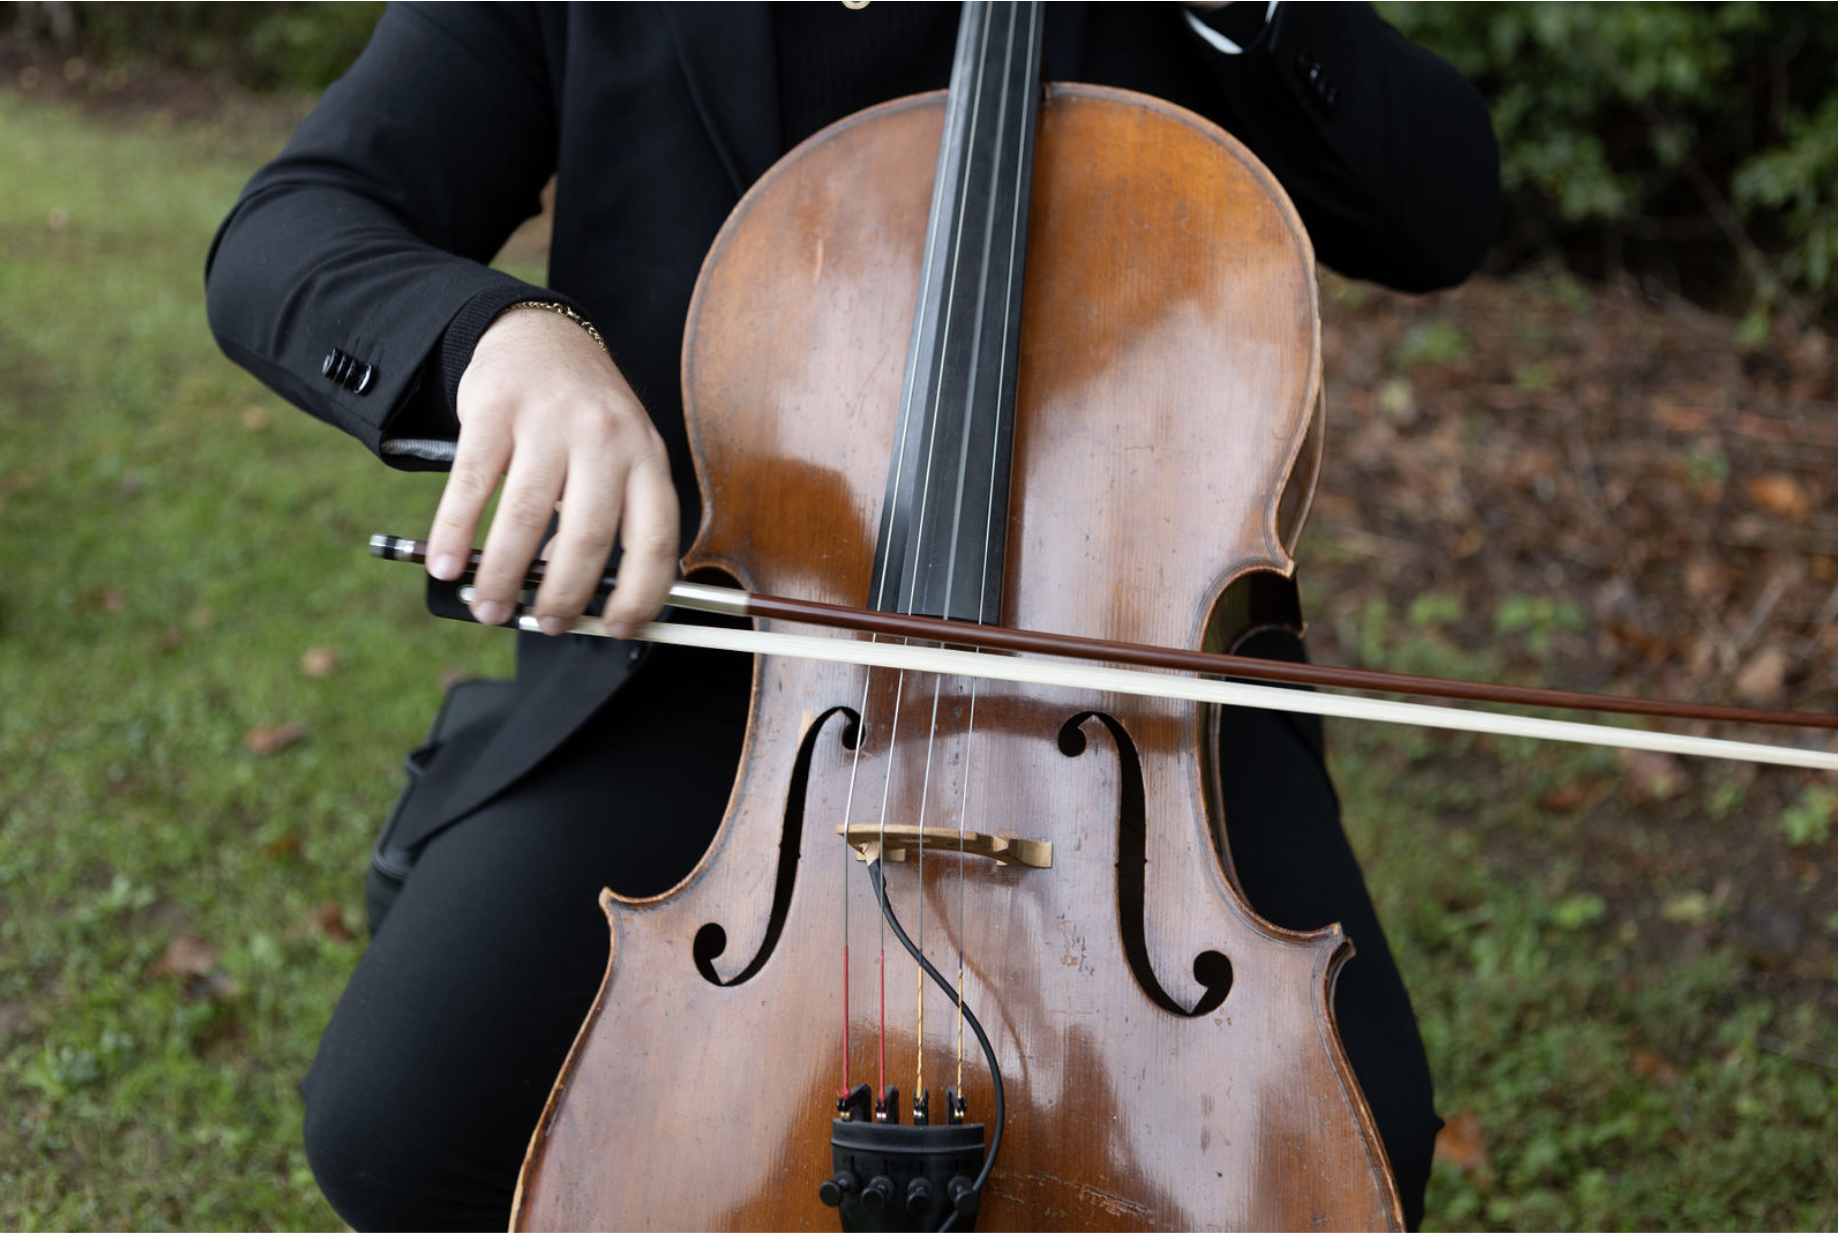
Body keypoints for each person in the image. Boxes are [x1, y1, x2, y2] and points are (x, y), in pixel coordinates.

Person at [207, 4, 1500, 1229]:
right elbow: (294, 224)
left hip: (1125, 685)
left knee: (1316, 1162)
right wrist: (500, 336)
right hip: (725, 671)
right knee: (408, 1122)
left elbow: (1439, 211)